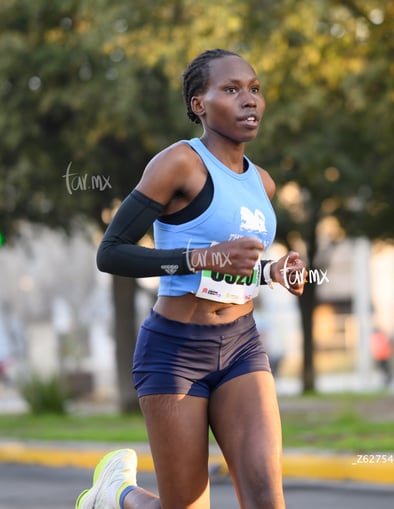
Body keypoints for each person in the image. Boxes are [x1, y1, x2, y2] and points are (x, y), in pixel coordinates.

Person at [76, 48, 307, 509]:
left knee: (266, 496)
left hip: (242, 344)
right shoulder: (179, 164)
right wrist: (201, 257)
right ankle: (117, 495)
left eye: (255, 89)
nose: (249, 100)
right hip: (175, 352)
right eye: (232, 89)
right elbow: (111, 253)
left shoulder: (262, 184)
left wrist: (271, 271)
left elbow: (232, 267)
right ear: (199, 104)